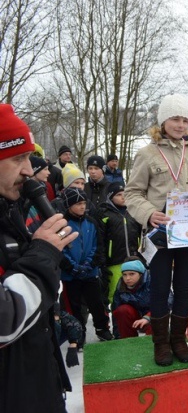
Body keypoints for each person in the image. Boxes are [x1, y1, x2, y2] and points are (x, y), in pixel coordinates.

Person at [125, 93, 188, 366]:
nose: (180, 124)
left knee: (186, 287)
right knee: (160, 288)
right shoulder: (147, 153)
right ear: (163, 120)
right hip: (161, 235)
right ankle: (161, 342)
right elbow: (132, 193)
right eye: (175, 118)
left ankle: (179, 338)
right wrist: (148, 213)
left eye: (185, 119)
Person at [0, 103, 78, 412]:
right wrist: (44, 253)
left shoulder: (10, 209)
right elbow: (5, 320)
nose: (27, 170)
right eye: (17, 158)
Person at [59, 187, 113, 343]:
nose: (82, 206)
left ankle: (102, 329)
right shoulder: (63, 224)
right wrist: (72, 266)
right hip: (71, 274)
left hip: (90, 272)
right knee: (75, 306)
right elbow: (60, 249)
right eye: (78, 204)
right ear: (69, 205)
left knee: (97, 303)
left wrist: (90, 263)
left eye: (84, 203)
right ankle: (78, 333)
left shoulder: (91, 222)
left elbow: (98, 245)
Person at [98, 181, 141, 305]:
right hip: (115, 261)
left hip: (134, 259)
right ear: (111, 197)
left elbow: (141, 234)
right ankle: (116, 321)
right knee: (115, 293)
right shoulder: (104, 214)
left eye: (125, 194)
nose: (123, 197)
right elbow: (100, 240)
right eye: (119, 194)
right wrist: (102, 262)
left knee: (135, 292)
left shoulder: (133, 211)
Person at [111, 259, 153, 339]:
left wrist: (148, 317)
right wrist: (117, 334)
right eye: (124, 274)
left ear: (140, 274)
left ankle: (155, 342)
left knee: (156, 320)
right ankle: (128, 341)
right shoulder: (121, 285)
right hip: (135, 318)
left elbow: (167, 302)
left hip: (153, 316)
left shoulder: (153, 280)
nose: (127, 278)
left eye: (132, 274)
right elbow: (115, 309)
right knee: (122, 310)